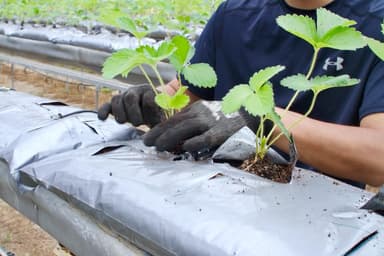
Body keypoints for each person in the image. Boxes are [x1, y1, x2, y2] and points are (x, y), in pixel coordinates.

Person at [98, 0, 384, 188]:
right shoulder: (235, 13)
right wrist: (156, 102)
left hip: (311, 217)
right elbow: (187, 95)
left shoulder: (375, 25)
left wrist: (260, 119)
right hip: (212, 194)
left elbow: (378, 156)